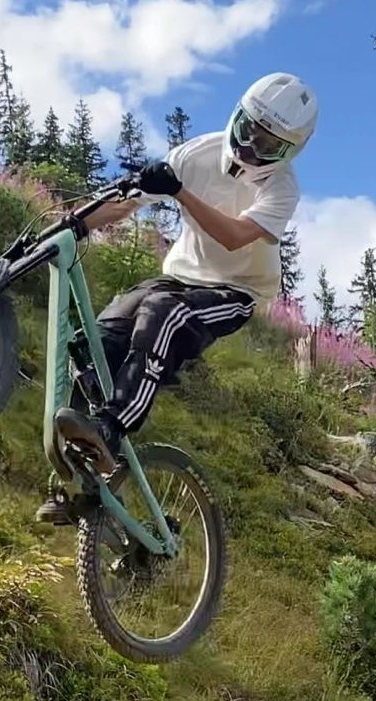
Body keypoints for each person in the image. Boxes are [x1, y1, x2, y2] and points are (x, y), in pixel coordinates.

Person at [38, 72, 318, 523]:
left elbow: (234, 236)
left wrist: (180, 192)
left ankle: (112, 426)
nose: (250, 147)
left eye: (267, 145)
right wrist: (75, 225)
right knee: (96, 337)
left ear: (289, 152)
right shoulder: (197, 153)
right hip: (180, 276)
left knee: (162, 314)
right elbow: (128, 202)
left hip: (235, 290)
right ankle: (78, 479)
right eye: (249, 130)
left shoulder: (282, 188)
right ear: (238, 115)